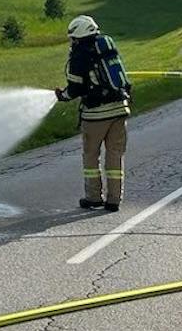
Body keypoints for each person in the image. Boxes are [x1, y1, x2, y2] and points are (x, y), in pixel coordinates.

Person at [56, 15, 132, 212]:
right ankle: (114, 200)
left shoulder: (79, 55)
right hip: (120, 109)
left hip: (96, 115)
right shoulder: (106, 46)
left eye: (72, 38)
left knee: (91, 156)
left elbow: (75, 89)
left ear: (78, 35)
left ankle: (94, 197)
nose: (71, 42)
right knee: (115, 156)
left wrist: (62, 96)